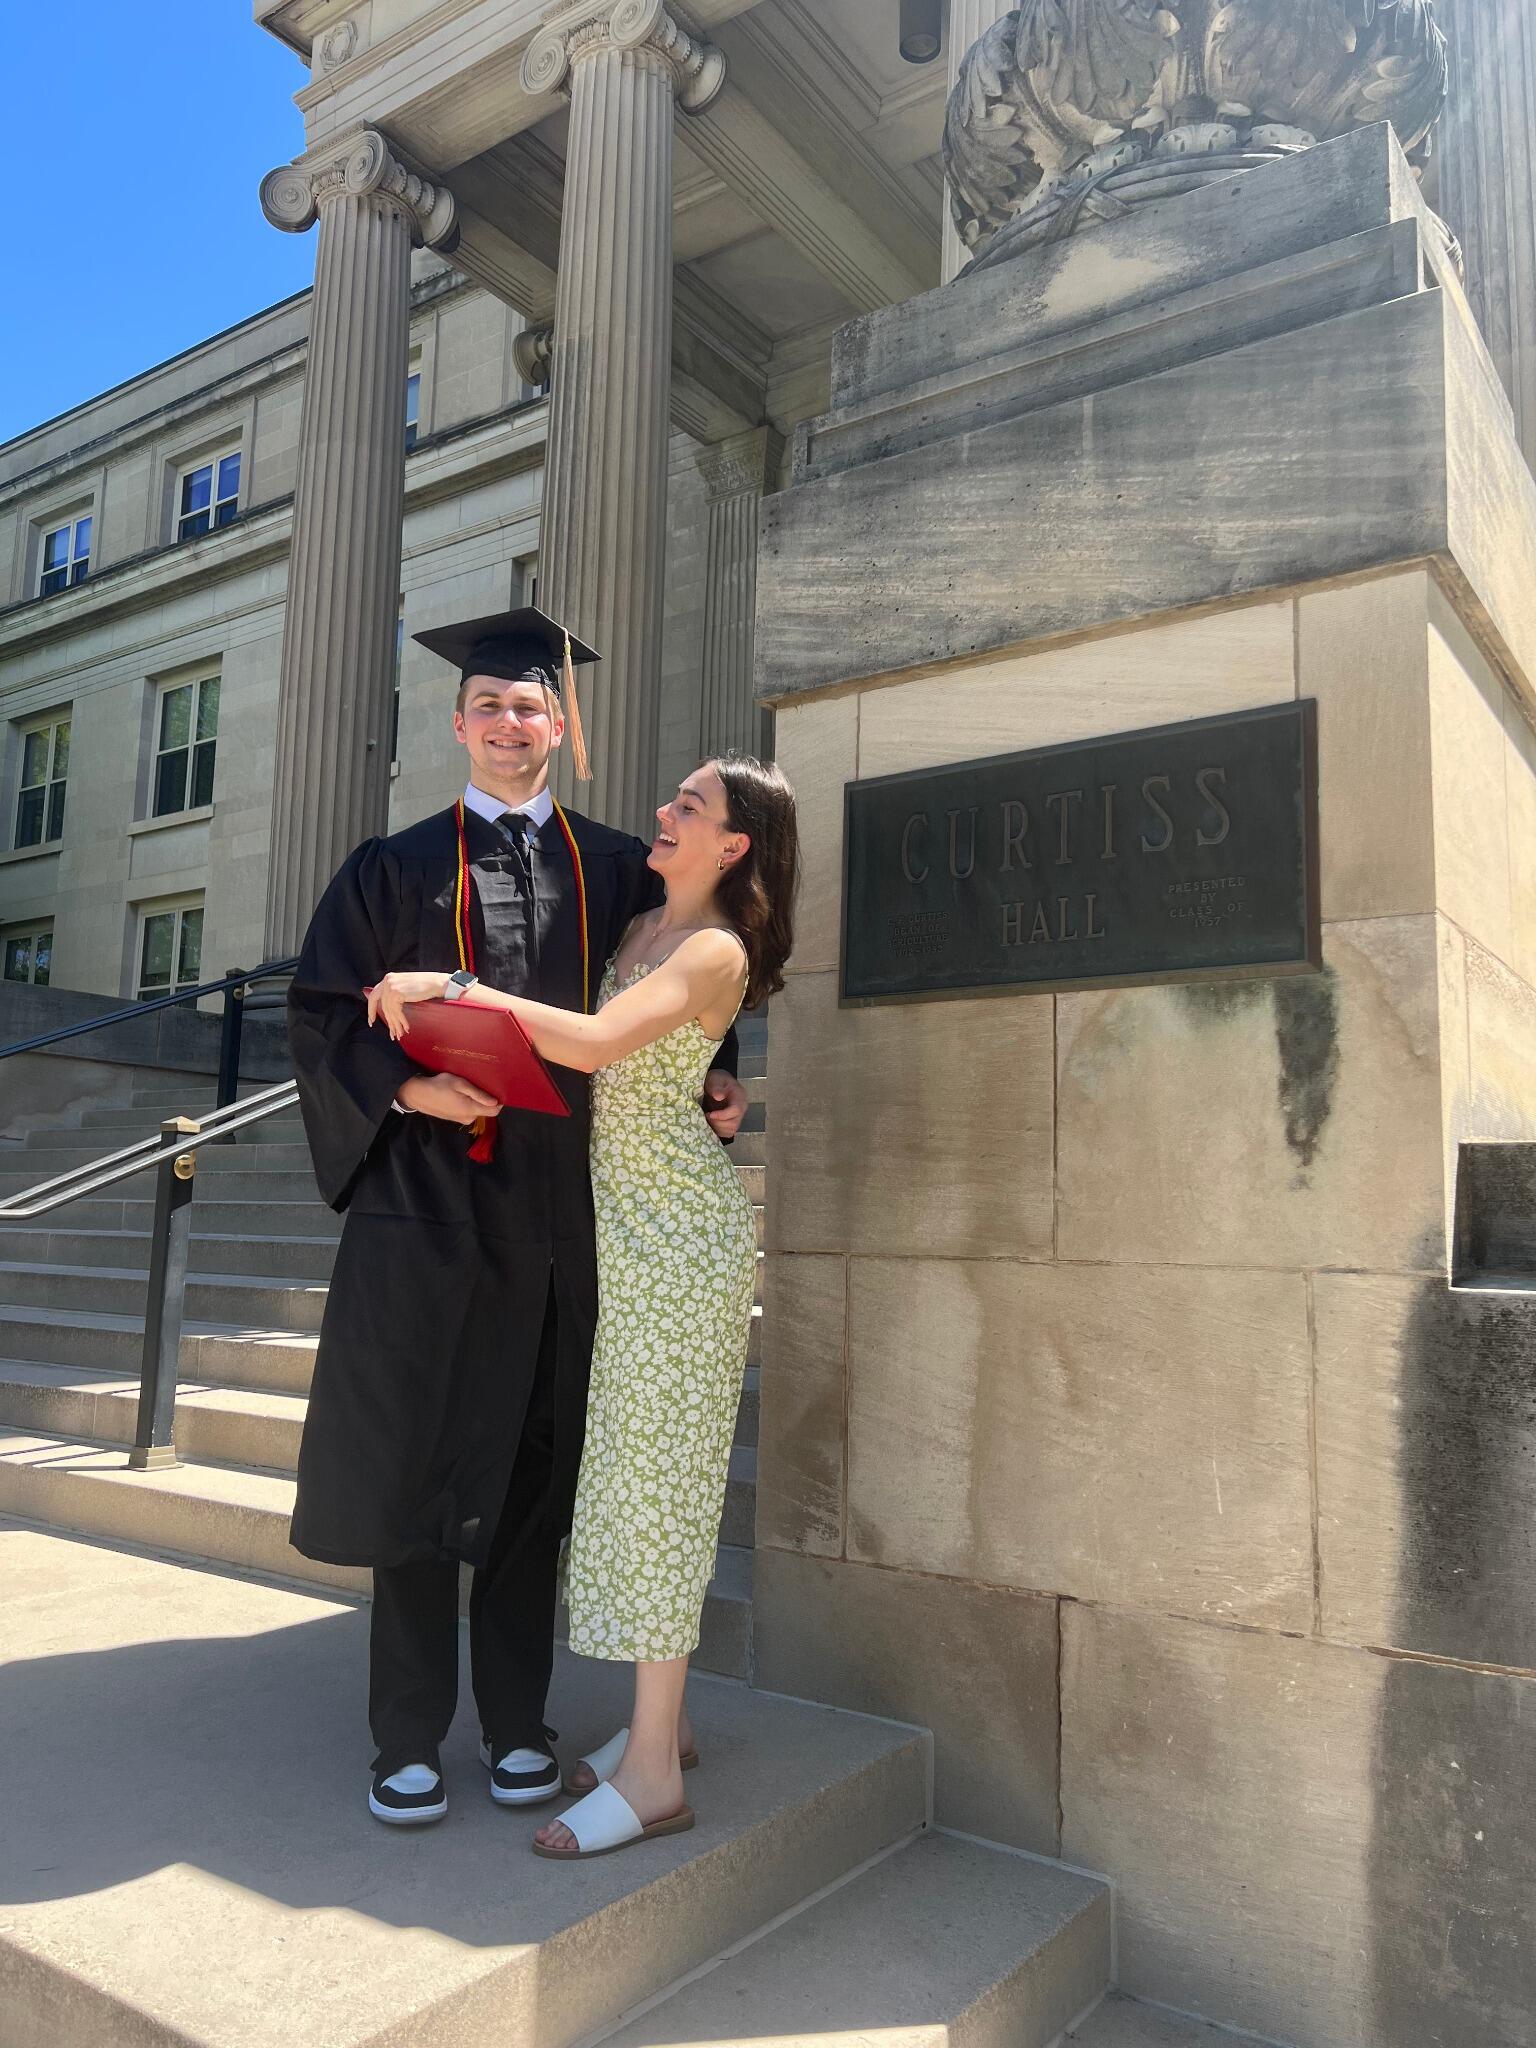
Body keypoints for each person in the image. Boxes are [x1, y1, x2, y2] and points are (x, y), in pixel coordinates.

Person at [287, 606, 747, 1827]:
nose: (507, 722)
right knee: (415, 1464)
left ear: (559, 725)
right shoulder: (389, 868)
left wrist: (718, 1075)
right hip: (424, 1213)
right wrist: (408, 1089)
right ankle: (406, 1735)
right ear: (457, 723)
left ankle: (516, 1723)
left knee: (532, 1470)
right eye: (487, 705)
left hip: (558, 1219)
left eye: (527, 705)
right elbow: (322, 1014)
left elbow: (683, 980)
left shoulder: (617, 867)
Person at [368, 751, 798, 1858]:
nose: (664, 812)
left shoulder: (713, 946)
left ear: (733, 844)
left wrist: (455, 989)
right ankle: (670, 1726)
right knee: (632, 1479)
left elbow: (600, 1045)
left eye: (690, 806)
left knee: (659, 1486)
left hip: (678, 1241)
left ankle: (654, 1776)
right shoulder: (642, 928)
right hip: (625, 1233)